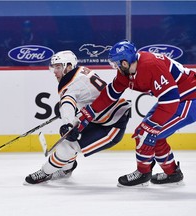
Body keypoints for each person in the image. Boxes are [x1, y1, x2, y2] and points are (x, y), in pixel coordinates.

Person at [77, 40, 196, 187]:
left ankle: (143, 173)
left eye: (116, 64)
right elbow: (111, 92)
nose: (116, 67)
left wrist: (152, 126)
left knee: (146, 133)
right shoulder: (126, 72)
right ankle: (172, 174)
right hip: (175, 98)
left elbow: (170, 99)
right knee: (148, 133)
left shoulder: (151, 65)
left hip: (189, 99)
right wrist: (90, 112)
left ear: (125, 62)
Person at [25, 50, 131, 184]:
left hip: (111, 126)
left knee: (67, 146)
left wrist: (68, 122)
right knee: (69, 140)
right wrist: (71, 117)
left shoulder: (70, 83)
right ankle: (67, 168)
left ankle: (45, 172)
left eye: (58, 67)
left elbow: (68, 101)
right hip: (100, 117)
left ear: (69, 66)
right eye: (54, 67)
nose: (55, 71)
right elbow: (86, 96)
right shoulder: (81, 72)